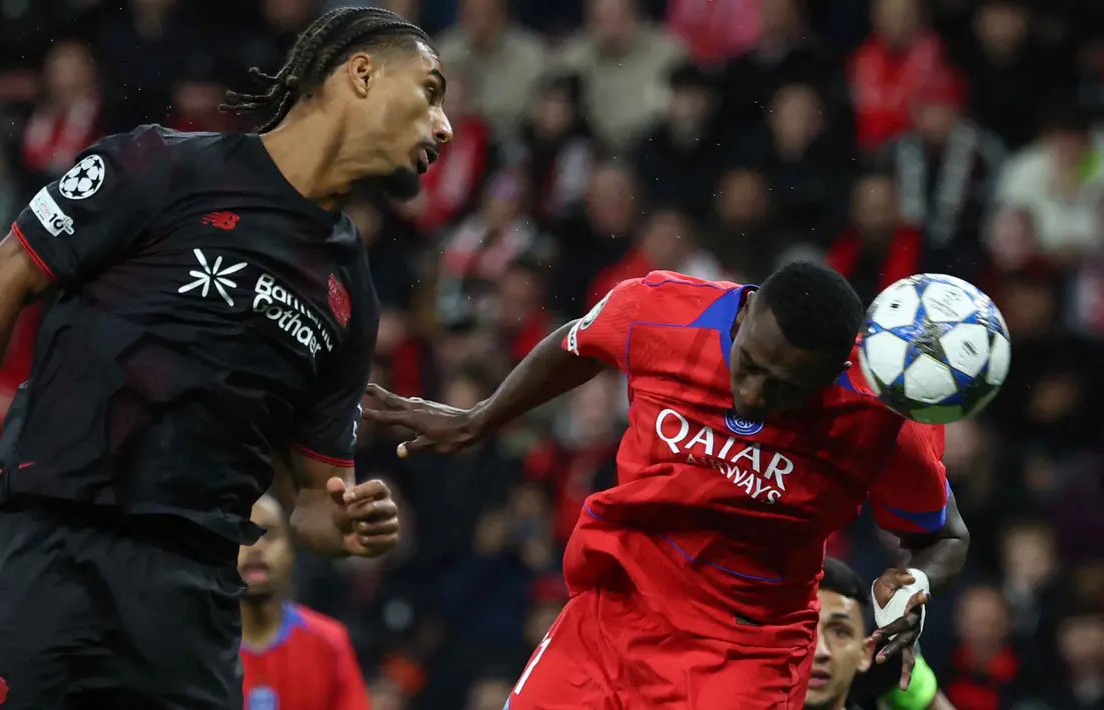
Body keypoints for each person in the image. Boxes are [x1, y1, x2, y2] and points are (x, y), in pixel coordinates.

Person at [0, 6, 452, 709]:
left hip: (193, 605)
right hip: (51, 556)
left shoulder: (349, 295)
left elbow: (312, 500)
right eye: (430, 92)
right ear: (360, 73)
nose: (443, 126)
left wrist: (341, 526)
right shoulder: (163, 165)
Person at [365, 263, 971, 709]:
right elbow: (579, 342)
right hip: (614, 614)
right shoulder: (661, 310)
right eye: (751, 364)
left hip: (743, 659)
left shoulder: (877, 419)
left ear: (834, 373)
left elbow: (945, 537)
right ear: (743, 314)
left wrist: (915, 583)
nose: (756, 396)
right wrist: (480, 418)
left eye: (788, 388)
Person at [239, 494, 371, 710]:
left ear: (290, 552)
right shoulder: (193, 647)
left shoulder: (330, 642)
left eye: (269, 534)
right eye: (241, 534)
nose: (255, 547)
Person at [814, 557, 957, 710]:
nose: (819, 651)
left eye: (839, 632)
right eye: (806, 630)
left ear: (865, 651)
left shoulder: (889, 654)